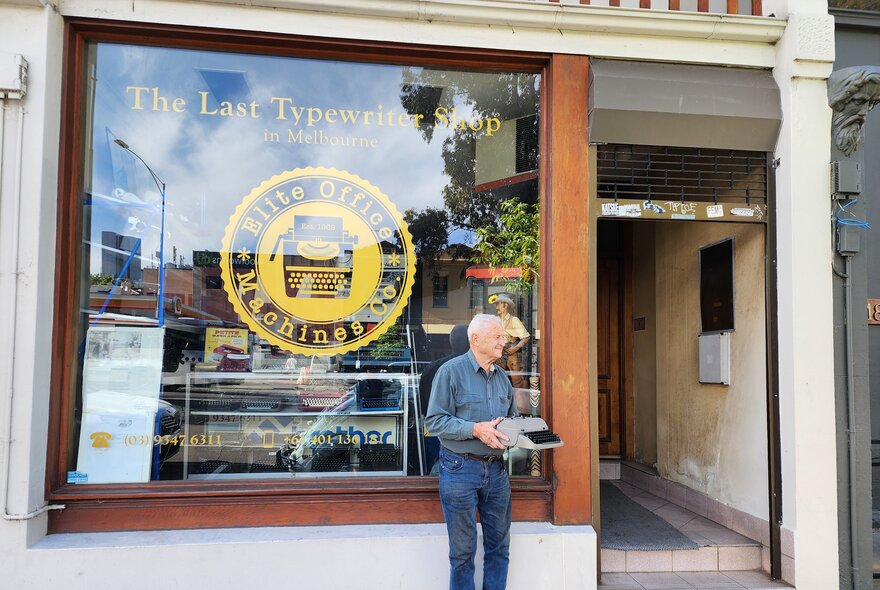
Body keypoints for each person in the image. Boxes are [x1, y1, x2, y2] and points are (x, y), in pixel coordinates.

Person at [425, 314, 518, 590]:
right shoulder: (450, 372)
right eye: (498, 337)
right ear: (476, 340)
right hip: (459, 469)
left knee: (499, 548)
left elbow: (512, 420)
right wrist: (476, 429)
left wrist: (519, 435)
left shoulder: (503, 377)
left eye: (503, 336)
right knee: (463, 554)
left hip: (497, 472)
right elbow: (434, 421)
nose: (504, 341)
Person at [419, 324, 471, 473]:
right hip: (462, 436)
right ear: (470, 342)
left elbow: (423, 405)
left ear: (450, 342)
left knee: (433, 472)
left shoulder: (431, 368)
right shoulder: (471, 370)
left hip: (432, 430)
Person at [489, 293, 530, 389]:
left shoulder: (514, 320)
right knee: (499, 381)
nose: (496, 307)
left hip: (513, 355)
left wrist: (515, 348)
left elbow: (526, 337)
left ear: (505, 305)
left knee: (517, 381)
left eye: (498, 304)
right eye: (496, 305)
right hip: (500, 355)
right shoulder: (496, 321)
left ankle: (519, 402)